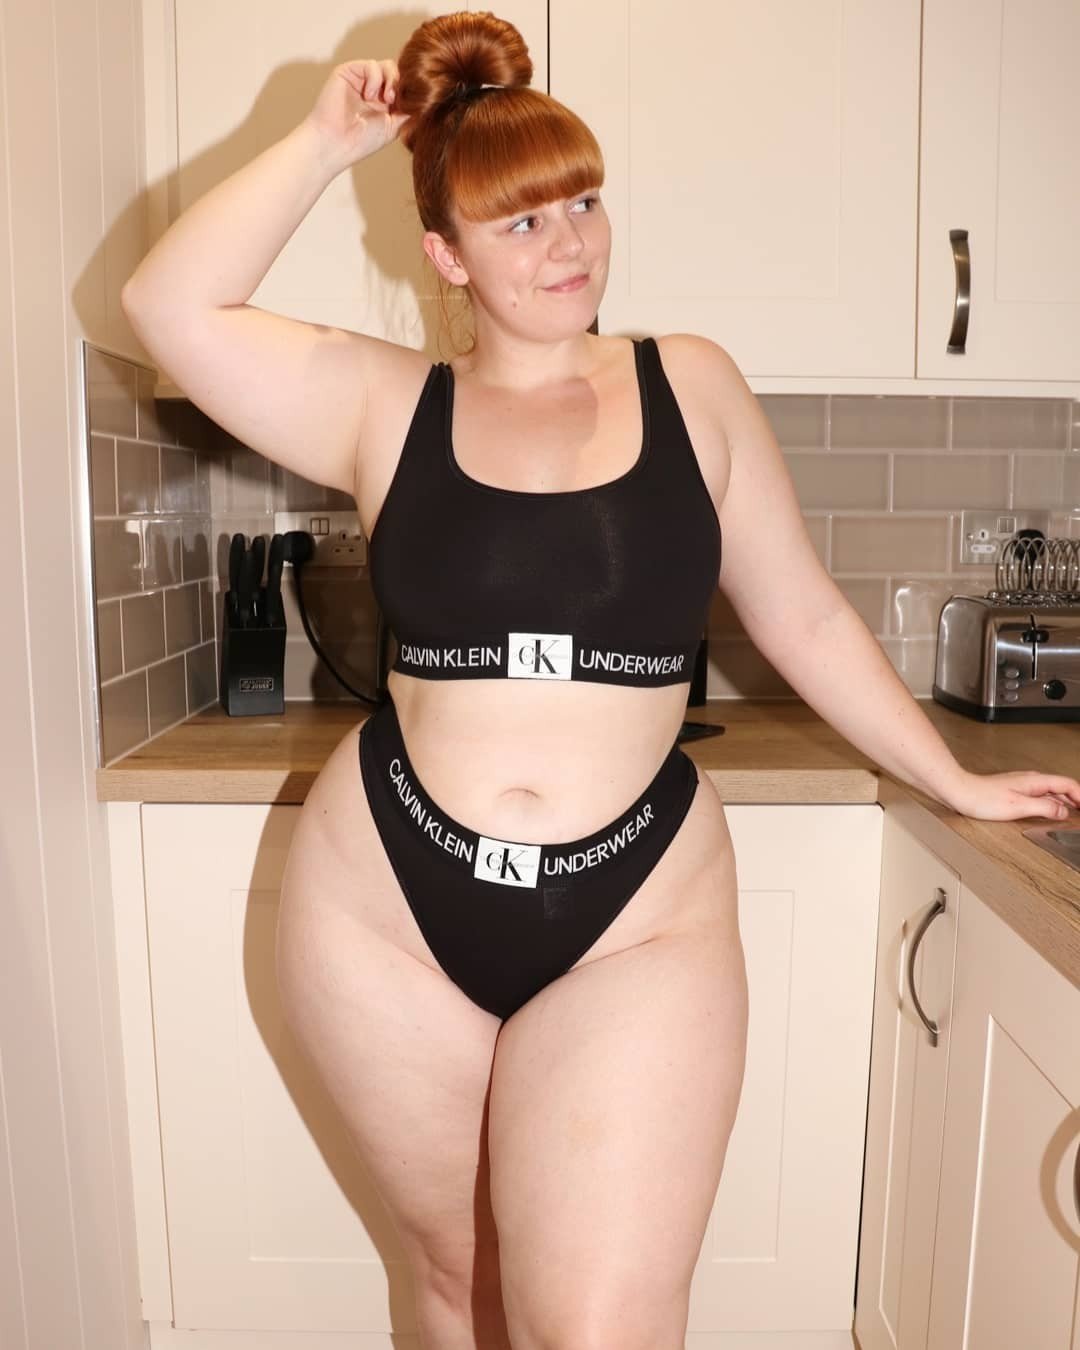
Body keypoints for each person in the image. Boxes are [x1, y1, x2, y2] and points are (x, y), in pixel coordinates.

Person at [120, 11, 1080, 1348]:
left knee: (600, 1323)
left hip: (636, 912)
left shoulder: (691, 384)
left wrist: (954, 778)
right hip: (389, 901)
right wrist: (324, 142)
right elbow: (166, 307)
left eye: (582, 201)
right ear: (445, 254)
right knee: (460, 1283)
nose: (567, 242)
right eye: (519, 222)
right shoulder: (383, 402)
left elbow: (802, 615)